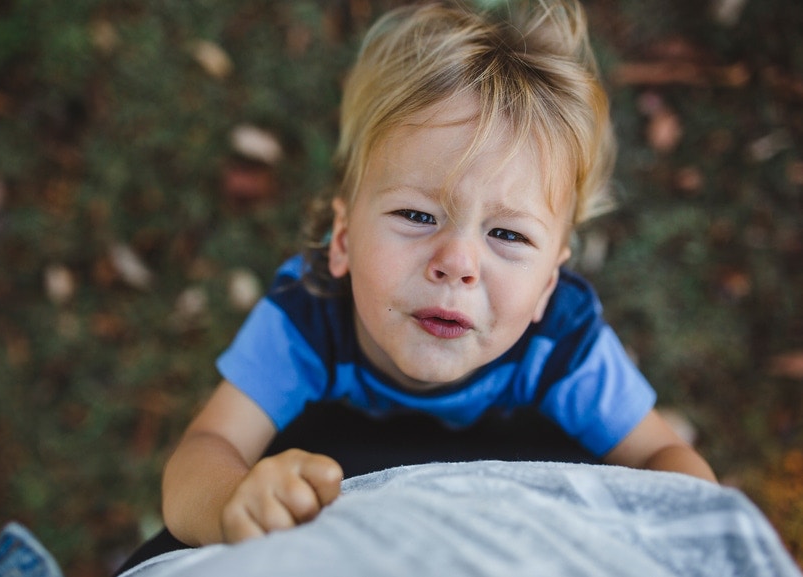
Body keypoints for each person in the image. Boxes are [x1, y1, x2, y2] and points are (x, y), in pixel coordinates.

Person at [159, 0, 717, 552]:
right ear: (344, 240)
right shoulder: (309, 309)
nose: (457, 262)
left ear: (549, 283)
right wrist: (234, 504)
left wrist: (678, 538)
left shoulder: (563, 341)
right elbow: (206, 448)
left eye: (508, 235)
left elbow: (662, 457)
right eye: (418, 216)